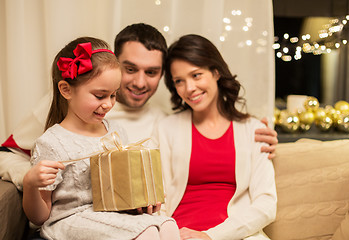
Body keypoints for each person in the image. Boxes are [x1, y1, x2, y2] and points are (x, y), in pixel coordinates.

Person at [1, 23, 277, 188]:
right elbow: (6, 153)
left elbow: (212, 131)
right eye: (130, 69)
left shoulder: (165, 118)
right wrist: (30, 179)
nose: (139, 82)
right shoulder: (69, 103)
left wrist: (256, 135)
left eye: (152, 72)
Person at [22, 37, 180, 240]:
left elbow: (120, 191)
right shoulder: (52, 143)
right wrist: (30, 184)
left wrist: (141, 203)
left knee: (167, 225)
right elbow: (40, 217)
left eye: (113, 95)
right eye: (100, 95)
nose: (108, 104)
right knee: (146, 233)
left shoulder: (115, 131)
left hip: (109, 215)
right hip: (69, 221)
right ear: (66, 90)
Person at [157, 34, 277, 240]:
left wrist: (211, 236)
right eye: (179, 81)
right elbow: (158, 200)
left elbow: (266, 204)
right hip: (179, 234)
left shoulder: (254, 130)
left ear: (216, 72)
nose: (189, 88)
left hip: (235, 235)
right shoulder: (166, 128)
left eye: (196, 75)